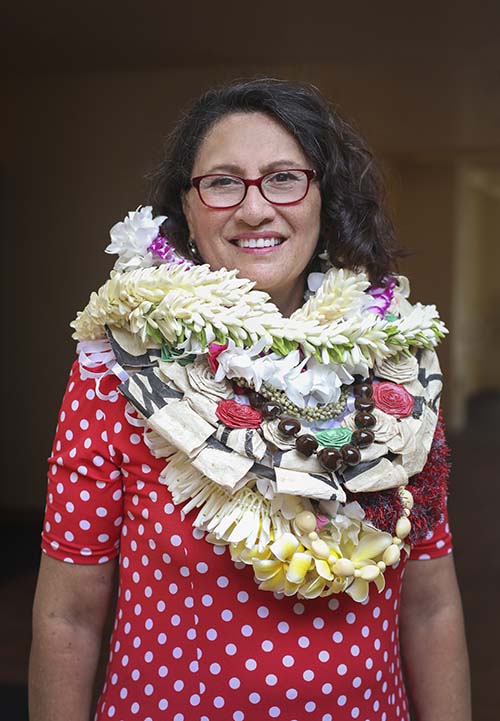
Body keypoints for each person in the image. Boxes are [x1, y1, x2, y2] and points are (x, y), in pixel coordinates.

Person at [29, 78, 471, 721]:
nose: (256, 210)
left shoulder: (396, 370)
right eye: (223, 182)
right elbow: (67, 617)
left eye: (284, 177)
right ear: (187, 206)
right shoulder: (116, 374)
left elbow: (431, 607)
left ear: (324, 196)